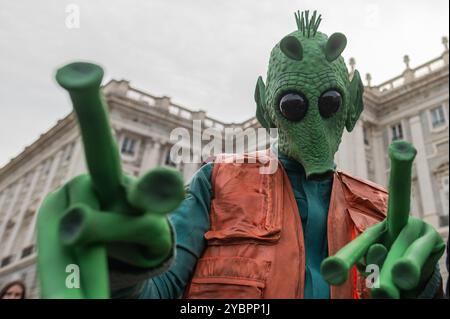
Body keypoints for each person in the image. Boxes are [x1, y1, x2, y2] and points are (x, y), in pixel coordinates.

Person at [37, 9, 445, 299]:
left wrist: (426, 287)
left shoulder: (384, 206)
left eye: (331, 103)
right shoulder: (216, 181)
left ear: (354, 104)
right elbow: (159, 290)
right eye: (293, 106)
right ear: (264, 107)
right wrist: (124, 266)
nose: (314, 128)